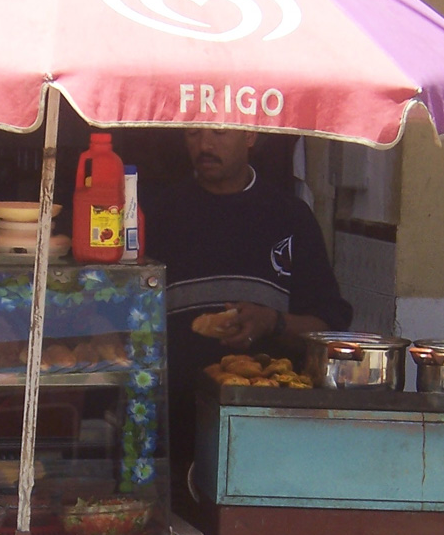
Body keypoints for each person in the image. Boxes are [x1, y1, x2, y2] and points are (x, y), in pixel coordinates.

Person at [144, 126, 353, 483]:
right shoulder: (158, 213)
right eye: (194, 134)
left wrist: (273, 323)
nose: (204, 145)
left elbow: (329, 325)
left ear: (251, 136)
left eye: (220, 133)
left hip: (262, 431)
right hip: (171, 423)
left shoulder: (289, 216)